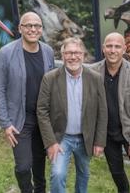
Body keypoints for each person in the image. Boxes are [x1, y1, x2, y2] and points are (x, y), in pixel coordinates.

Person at [0, 12, 55, 193]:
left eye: (37, 26)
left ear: (41, 29)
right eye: (28, 25)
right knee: (23, 166)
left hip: (42, 119)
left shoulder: (48, 52)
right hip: (20, 121)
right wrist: (5, 123)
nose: (33, 29)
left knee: (39, 161)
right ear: (20, 28)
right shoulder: (5, 54)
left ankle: (41, 190)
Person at [37, 37, 107, 193]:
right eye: (68, 53)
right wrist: (50, 142)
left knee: (84, 174)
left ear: (83, 55)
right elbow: (41, 111)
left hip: (85, 137)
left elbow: (103, 112)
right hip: (61, 138)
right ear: (62, 56)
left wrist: (100, 141)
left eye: (76, 52)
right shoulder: (50, 78)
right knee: (58, 173)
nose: (72, 57)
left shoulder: (95, 78)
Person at [91, 32, 130, 193]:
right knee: (117, 173)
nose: (113, 50)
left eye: (117, 46)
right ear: (103, 48)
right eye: (109, 46)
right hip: (107, 134)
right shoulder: (93, 72)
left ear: (124, 49)